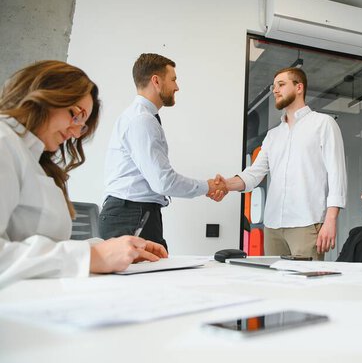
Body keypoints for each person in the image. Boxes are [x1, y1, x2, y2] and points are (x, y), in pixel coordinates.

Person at [0, 60, 167, 287]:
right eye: (76, 115)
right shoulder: (4, 142)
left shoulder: (36, 161)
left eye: (83, 124)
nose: (76, 133)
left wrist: (118, 248)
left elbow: (48, 246)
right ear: (45, 95)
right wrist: (93, 257)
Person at [99, 53, 226, 251]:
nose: (177, 87)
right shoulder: (142, 120)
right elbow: (163, 182)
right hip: (132, 215)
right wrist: (207, 186)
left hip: (135, 213)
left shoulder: (139, 117)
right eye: (173, 79)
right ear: (156, 81)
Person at [219, 67, 347, 260]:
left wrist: (330, 220)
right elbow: (254, 174)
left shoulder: (323, 124)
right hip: (272, 227)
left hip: (306, 223)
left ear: (299, 88)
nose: (275, 90)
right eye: (274, 86)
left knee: (304, 287)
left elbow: (337, 174)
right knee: (276, 286)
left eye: (281, 84)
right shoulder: (273, 135)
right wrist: (225, 185)